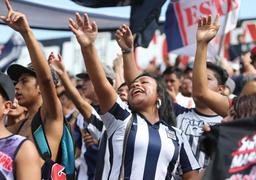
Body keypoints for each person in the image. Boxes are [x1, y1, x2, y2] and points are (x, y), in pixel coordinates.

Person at [69, 13, 200, 179]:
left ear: (159, 95)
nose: (137, 84)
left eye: (144, 82)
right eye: (134, 85)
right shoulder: (121, 118)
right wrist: (88, 47)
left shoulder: (177, 135)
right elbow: (101, 84)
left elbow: (192, 176)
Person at [0, 1, 74, 179]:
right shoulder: (19, 125)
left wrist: (26, 32)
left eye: (24, 81)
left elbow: (46, 78)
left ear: (41, 88)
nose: (17, 86)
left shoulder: (50, 118)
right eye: (16, 82)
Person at [0, 72, 41, 180]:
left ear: (6, 106)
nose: (18, 86)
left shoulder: (23, 149)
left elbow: (47, 81)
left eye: (24, 81)